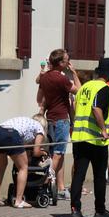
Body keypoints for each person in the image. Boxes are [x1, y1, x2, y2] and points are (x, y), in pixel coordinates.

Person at [67, 57, 109, 217]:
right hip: (95, 140)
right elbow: (96, 108)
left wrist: (75, 126)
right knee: (99, 176)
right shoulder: (104, 88)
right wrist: (103, 130)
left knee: (78, 175)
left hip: (79, 137)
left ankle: (75, 210)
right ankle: (100, 211)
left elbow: (74, 107)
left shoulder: (85, 86)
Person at [36, 49, 78, 200]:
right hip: (61, 119)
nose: (68, 62)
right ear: (60, 63)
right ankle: (45, 183)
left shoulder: (45, 77)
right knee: (58, 154)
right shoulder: (62, 79)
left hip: (50, 119)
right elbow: (78, 90)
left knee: (55, 154)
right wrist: (74, 73)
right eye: (66, 60)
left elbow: (39, 98)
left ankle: (59, 188)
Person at [0, 115, 47, 208]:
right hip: (11, 134)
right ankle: (18, 201)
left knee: (0, 167)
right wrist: (43, 152)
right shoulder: (40, 129)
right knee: (23, 167)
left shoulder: (28, 124)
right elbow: (36, 151)